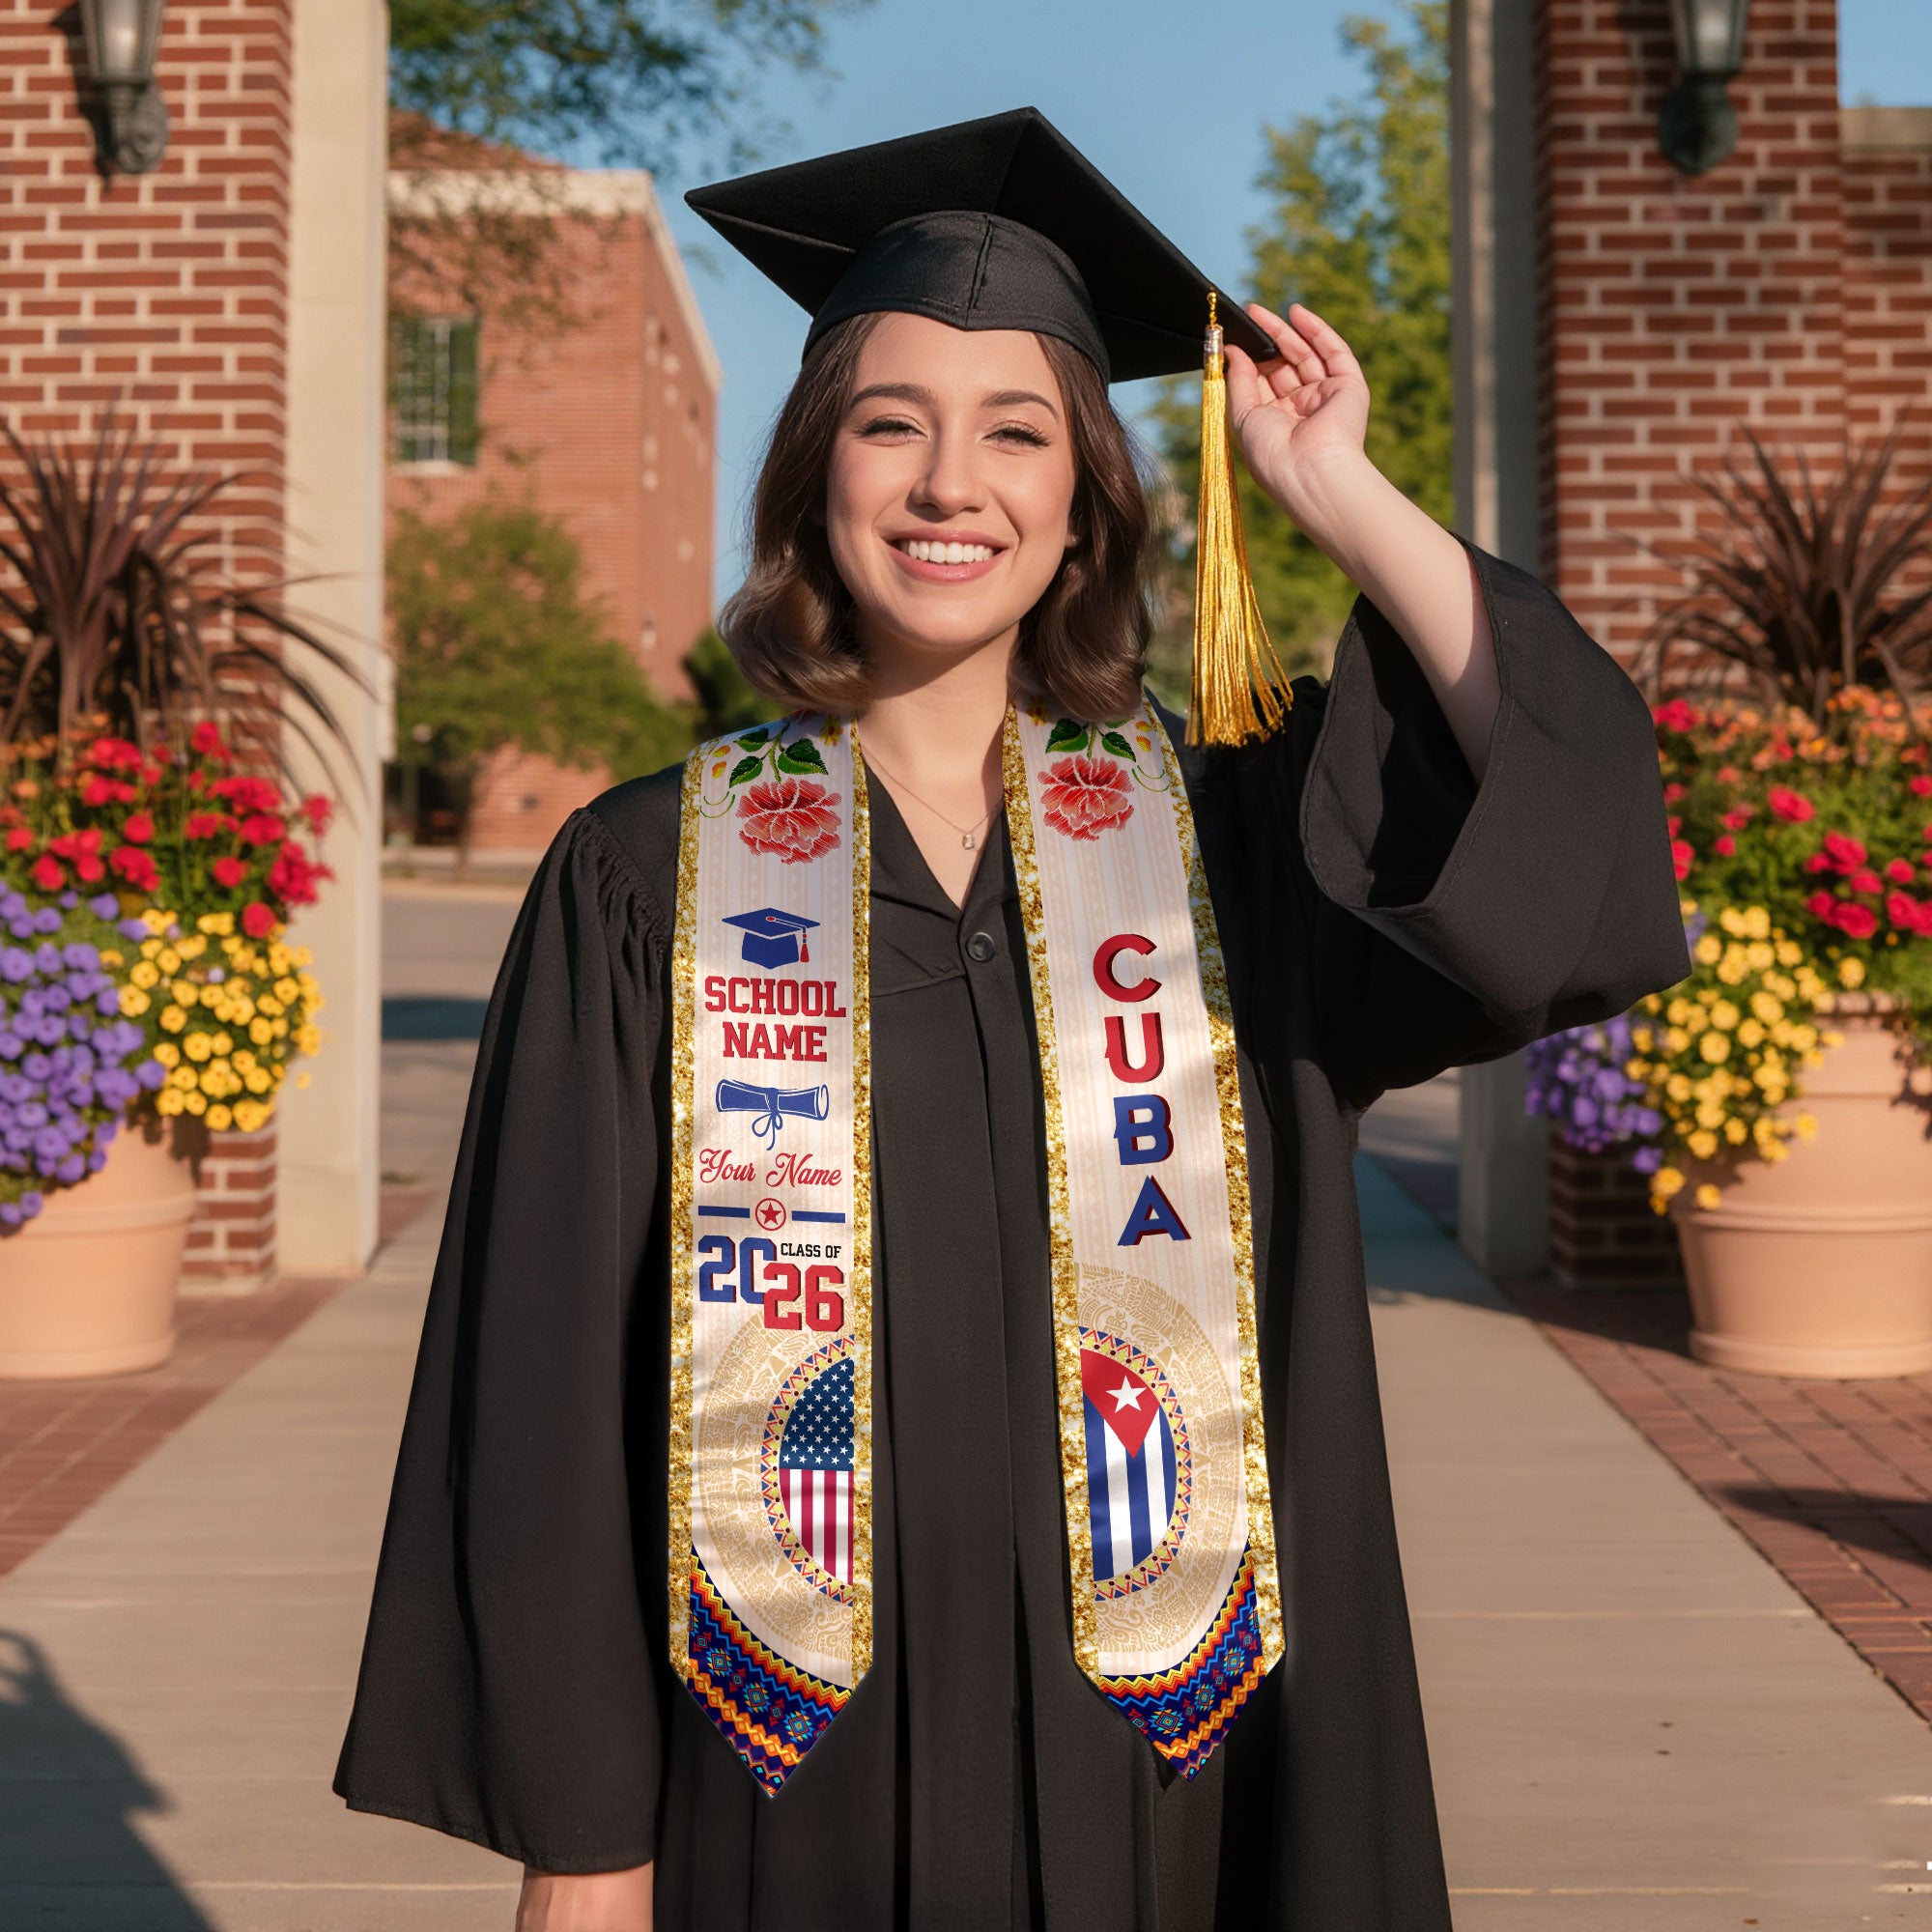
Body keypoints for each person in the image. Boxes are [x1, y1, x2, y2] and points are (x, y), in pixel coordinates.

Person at [333, 109, 1690, 1932]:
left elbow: (1557, 823)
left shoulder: (1229, 851)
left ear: (1082, 506)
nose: (947, 483)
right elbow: (547, 1385)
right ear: (819, 472)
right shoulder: (644, 877)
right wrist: (586, 1843)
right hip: (778, 1782)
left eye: (1016, 433)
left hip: (1181, 1778)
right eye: (892, 424)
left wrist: (1336, 491)